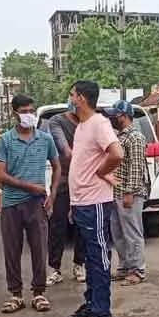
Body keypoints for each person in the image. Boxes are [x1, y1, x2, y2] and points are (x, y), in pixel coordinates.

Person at [0, 94, 60, 314]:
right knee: (12, 250)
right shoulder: (5, 140)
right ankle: (16, 294)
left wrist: (53, 195)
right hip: (11, 204)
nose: (29, 115)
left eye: (31, 111)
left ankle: (39, 293)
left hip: (37, 205)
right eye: (24, 112)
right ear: (14, 114)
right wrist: (29, 187)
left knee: (40, 249)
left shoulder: (45, 139)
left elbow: (57, 167)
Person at [66, 80, 124, 317]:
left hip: (96, 201)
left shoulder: (99, 123)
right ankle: (91, 303)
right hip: (81, 201)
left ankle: (102, 310)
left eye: (72, 94)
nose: (70, 98)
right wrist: (72, 202)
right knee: (90, 257)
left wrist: (102, 173)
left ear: (81, 98)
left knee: (99, 256)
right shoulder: (82, 127)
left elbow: (117, 153)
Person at [105, 100, 149, 285]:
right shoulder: (120, 137)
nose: (112, 118)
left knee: (132, 232)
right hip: (116, 192)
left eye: (115, 115)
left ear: (123, 116)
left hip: (128, 193)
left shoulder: (135, 137)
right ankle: (124, 266)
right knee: (118, 233)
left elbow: (136, 167)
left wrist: (130, 192)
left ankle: (137, 270)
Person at [46, 109, 86, 285]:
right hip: (63, 179)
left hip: (86, 181)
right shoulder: (57, 121)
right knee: (57, 224)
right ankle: (55, 268)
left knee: (82, 225)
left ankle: (79, 263)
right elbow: (64, 149)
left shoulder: (93, 121)